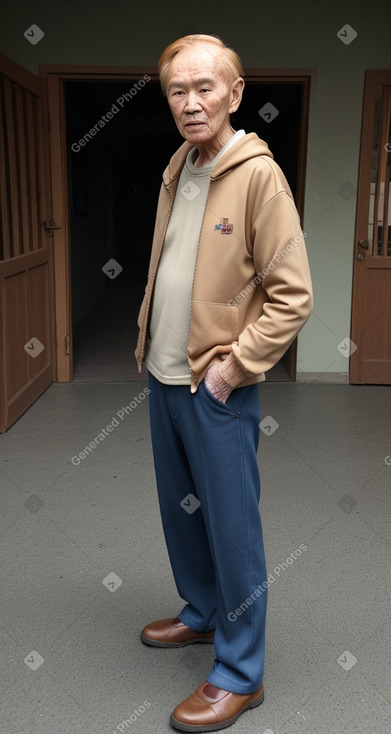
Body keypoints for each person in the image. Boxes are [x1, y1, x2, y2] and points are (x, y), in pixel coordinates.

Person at [135, 33, 313, 732]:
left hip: (214, 386)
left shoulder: (258, 176)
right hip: (162, 374)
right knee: (182, 512)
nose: (189, 102)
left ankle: (241, 673)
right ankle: (203, 614)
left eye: (204, 87)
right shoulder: (179, 164)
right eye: (177, 90)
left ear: (235, 94)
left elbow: (291, 294)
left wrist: (234, 367)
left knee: (231, 528)